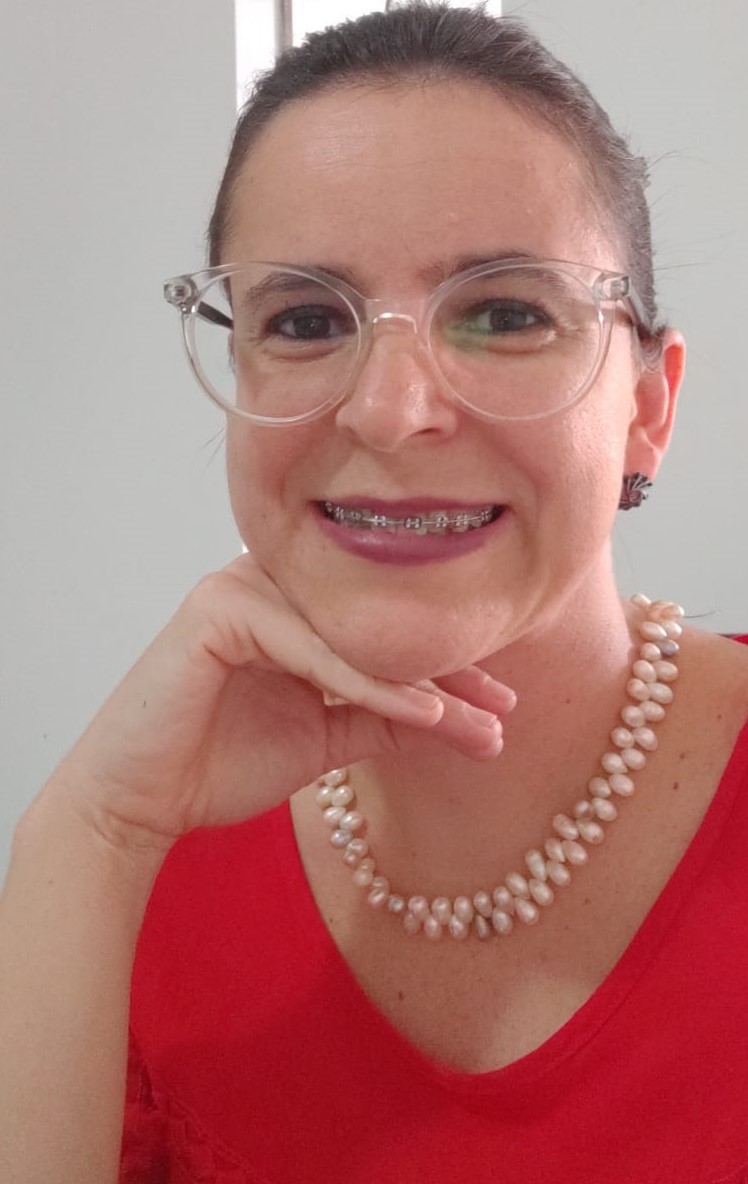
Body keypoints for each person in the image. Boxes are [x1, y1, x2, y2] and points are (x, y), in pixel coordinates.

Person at [2, 3, 748, 1181]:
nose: (389, 411)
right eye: (305, 320)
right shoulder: (136, 863)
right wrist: (83, 833)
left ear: (647, 407)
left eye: (505, 313)